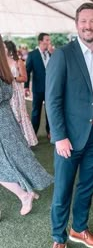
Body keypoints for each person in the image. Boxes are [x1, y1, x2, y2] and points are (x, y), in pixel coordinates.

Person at [45, 3, 93, 248]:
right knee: (62, 189)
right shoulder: (63, 55)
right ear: (76, 24)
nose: (88, 26)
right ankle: (58, 240)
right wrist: (59, 136)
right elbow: (53, 99)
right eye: (83, 21)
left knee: (87, 186)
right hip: (69, 137)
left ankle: (79, 229)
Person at [0, 34, 53, 217]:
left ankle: (24, 195)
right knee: (16, 157)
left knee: (7, 163)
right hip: (6, 118)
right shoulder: (4, 66)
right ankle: (27, 189)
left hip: (3, 122)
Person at [4, 40, 38, 147]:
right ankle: (12, 142)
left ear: (9, 49)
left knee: (19, 114)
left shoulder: (18, 62)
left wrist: (12, 78)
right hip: (6, 92)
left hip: (17, 92)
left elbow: (24, 78)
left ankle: (26, 141)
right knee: (10, 116)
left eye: (4, 47)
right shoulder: (2, 63)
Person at [25, 33, 51, 139]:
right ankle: (33, 134)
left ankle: (50, 132)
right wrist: (26, 87)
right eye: (47, 40)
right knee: (36, 112)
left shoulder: (51, 54)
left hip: (50, 89)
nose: (49, 42)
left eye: (49, 40)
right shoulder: (32, 54)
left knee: (50, 112)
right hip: (37, 89)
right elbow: (27, 71)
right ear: (40, 41)